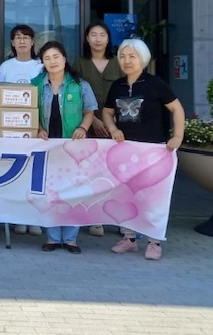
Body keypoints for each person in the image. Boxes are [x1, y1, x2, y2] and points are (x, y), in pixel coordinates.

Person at [101, 37, 185, 261]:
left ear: (143, 59)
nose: (127, 61)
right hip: (126, 151)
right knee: (125, 195)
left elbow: (177, 109)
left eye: (132, 56)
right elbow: (107, 112)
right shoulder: (117, 85)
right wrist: (113, 128)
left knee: (153, 198)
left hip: (154, 152)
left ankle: (154, 242)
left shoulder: (156, 84)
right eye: (123, 56)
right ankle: (129, 239)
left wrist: (177, 136)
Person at [31, 41, 97, 254]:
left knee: (73, 192)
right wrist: (38, 128)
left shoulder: (79, 84)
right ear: (42, 62)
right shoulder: (35, 85)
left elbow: (89, 111)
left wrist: (83, 128)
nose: (52, 61)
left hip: (73, 147)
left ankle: (70, 239)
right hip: (47, 147)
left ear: (64, 58)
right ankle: (52, 238)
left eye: (56, 57)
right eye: (47, 58)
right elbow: (29, 111)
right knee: (49, 193)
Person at [76, 21, 121, 236]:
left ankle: (120, 219)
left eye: (102, 34)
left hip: (117, 127)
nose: (97, 39)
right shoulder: (80, 64)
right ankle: (95, 218)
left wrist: (112, 122)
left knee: (116, 172)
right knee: (92, 172)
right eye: (93, 34)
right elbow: (75, 96)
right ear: (87, 38)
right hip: (89, 125)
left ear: (108, 38)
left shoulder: (118, 63)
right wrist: (93, 119)